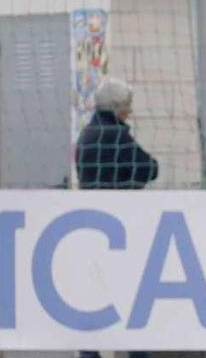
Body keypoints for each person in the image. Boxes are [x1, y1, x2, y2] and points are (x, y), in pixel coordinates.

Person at [75, 76, 156, 358]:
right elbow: (150, 168)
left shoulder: (86, 135)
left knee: (95, 299)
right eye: (128, 106)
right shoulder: (116, 136)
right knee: (131, 300)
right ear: (118, 107)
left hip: (92, 232)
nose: (130, 112)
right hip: (119, 233)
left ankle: (89, 353)